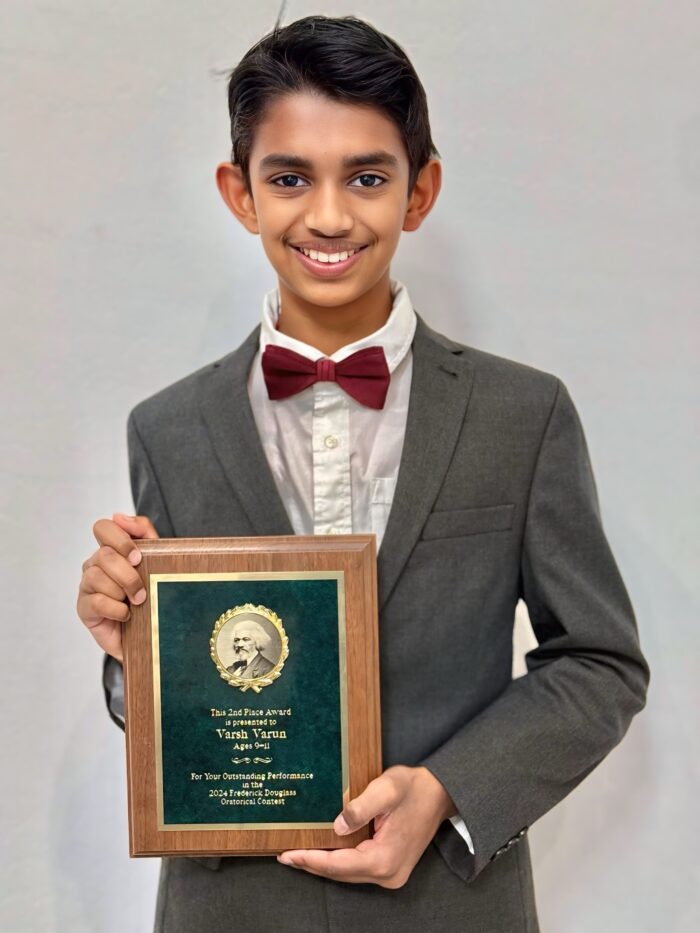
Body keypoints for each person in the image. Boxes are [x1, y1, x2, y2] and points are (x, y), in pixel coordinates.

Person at [76, 14, 650, 933]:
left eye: (369, 177)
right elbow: (186, 700)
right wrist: (126, 652)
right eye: (291, 177)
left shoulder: (522, 414)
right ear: (240, 193)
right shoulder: (168, 428)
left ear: (420, 192)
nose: (331, 215)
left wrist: (449, 790)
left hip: (450, 905)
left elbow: (598, 661)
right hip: (232, 910)